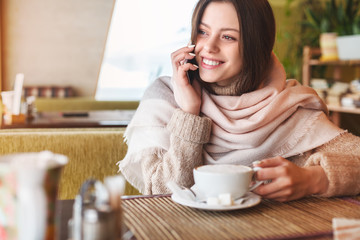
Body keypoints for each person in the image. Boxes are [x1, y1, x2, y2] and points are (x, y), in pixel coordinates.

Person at [118, 0, 360, 202]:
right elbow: (162, 194)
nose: (209, 47)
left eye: (228, 37)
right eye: (203, 32)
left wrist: (314, 179)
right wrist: (189, 113)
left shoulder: (288, 107)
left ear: (255, 47)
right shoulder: (166, 96)